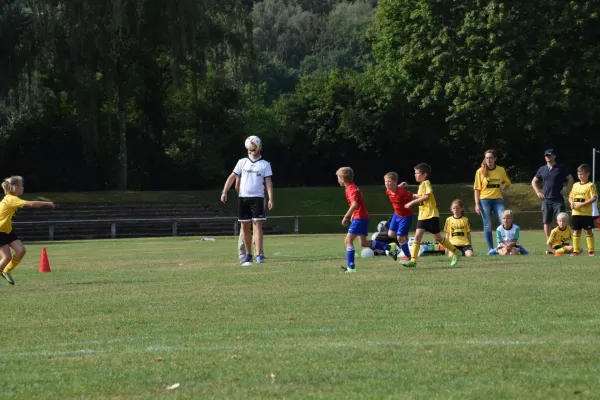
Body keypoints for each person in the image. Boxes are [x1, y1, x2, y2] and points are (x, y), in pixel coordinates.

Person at [221, 137, 273, 266]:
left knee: (257, 225)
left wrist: (271, 198)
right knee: (245, 227)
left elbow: (268, 182)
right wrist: (224, 191)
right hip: (243, 198)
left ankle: (259, 255)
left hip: (258, 198)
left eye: (254, 148)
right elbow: (232, 177)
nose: (252, 150)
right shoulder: (242, 162)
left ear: (259, 147)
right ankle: (248, 254)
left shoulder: (265, 164)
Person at [336, 167, 399, 273]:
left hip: (359, 218)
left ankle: (351, 268)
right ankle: (389, 247)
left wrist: (347, 216)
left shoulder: (350, 189)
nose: (337, 179)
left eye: (338, 177)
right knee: (364, 243)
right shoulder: (351, 187)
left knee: (348, 241)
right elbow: (359, 203)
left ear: (343, 178)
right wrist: (354, 214)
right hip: (360, 216)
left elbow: (355, 204)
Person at [401, 163, 461, 268]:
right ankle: (413, 261)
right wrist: (406, 192)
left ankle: (456, 252)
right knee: (417, 237)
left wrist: (411, 203)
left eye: (417, 173)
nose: (415, 175)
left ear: (424, 175)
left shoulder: (426, 183)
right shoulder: (421, 186)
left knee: (438, 238)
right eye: (415, 173)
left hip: (431, 215)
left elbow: (426, 197)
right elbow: (419, 196)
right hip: (422, 215)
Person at [0, 176, 55, 285]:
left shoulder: (11, 198)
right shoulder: (11, 199)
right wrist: (47, 203)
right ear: (15, 187)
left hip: (7, 230)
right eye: (21, 185)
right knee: (7, 257)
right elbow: (30, 204)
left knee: (21, 251)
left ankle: (6, 271)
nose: (23, 188)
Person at [474, 149, 511, 255]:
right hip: (484, 200)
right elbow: (477, 189)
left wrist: (503, 189)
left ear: (495, 159)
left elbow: (507, 182)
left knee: (504, 221)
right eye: (487, 158)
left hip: (497, 200)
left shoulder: (500, 170)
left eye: (491, 158)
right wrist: (477, 204)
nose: (489, 160)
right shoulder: (479, 171)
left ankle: (504, 246)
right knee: (487, 225)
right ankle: (491, 248)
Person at [531, 149, 574, 239]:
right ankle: (549, 243)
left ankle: (561, 241)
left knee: (562, 220)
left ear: (554, 156)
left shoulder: (561, 168)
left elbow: (570, 179)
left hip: (558, 199)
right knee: (547, 221)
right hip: (546, 199)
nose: (548, 157)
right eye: (546, 155)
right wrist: (538, 192)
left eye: (549, 155)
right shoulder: (542, 169)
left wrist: (567, 190)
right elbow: (534, 181)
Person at [568, 164, 597, 256]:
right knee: (576, 231)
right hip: (576, 213)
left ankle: (591, 250)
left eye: (582, 174)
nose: (580, 176)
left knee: (588, 231)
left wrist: (582, 204)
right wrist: (571, 203)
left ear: (588, 174)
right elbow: (570, 197)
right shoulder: (575, 185)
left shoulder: (590, 185)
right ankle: (576, 250)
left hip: (586, 214)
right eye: (578, 174)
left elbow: (594, 198)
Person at [383, 172, 413, 262]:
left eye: (389, 181)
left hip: (405, 216)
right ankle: (404, 241)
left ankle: (408, 257)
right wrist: (400, 186)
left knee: (399, 238)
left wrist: (424, 197)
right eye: (386, 181)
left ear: (395, 182)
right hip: (397, 214)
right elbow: (395, 190)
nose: (387, 183)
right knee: (391, 234)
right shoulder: (388, 191)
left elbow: (413, 196)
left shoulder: (403, 193)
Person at [235, 176, 265, 260]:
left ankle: (258, 253)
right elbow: (237, 186)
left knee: (256, 227)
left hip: (255, 199)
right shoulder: (242, 165)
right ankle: (245, 253)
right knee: (245, 228)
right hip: (247, 199)